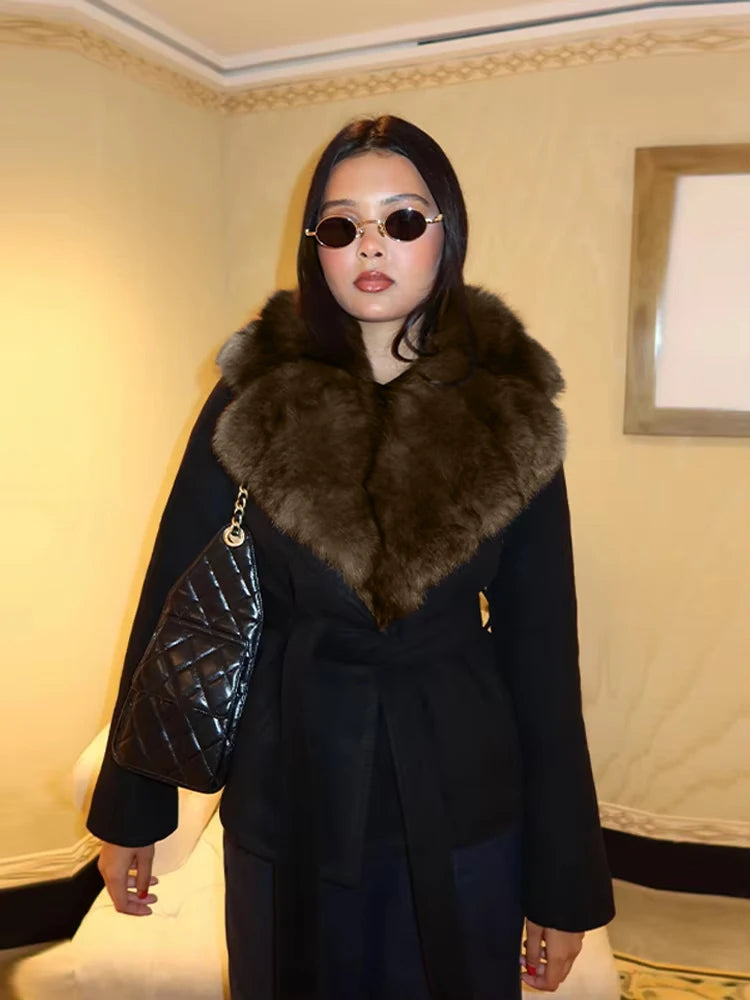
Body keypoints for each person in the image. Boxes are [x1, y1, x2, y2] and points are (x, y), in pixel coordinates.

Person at [87, 114, 615, 1000]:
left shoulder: (510, 408)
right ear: (317, 249)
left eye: (401, 219)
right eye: (341, 226)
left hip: (461, 789)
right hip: (288, 781)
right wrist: (132, 807)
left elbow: (542, 656)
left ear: (446, 233)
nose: (371, 244)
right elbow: (173, 604)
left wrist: (563, 884)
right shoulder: (253, 395)